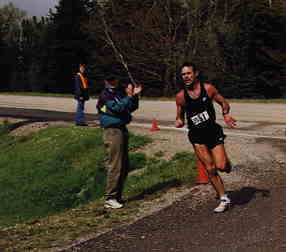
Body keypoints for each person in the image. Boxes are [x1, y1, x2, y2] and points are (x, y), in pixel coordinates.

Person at [175, 62, 237, 213]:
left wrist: (226, 114)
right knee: (210, 168)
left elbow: (223, 102)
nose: (186, 77)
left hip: (213, 133)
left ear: (195, 74)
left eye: (189, 73)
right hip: (197, 137)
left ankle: (226, 163)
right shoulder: (181, 96)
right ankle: (224, 198)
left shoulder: (208, 89)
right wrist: (179, 120)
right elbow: (179, 116)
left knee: (222, 166)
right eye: (183, 74)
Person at [96, 74, 143, 209]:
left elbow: (131, 108)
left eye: (114, 79)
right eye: (110, 80)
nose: (113, 82)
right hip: (112, 131)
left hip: (121, 129)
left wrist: (134, 96)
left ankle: (117, 196)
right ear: (105, 81)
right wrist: (128, 97)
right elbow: (118, 108)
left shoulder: (117, 93)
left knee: (124, 165)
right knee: (115, 165)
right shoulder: (105, 95)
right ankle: (110, 198)